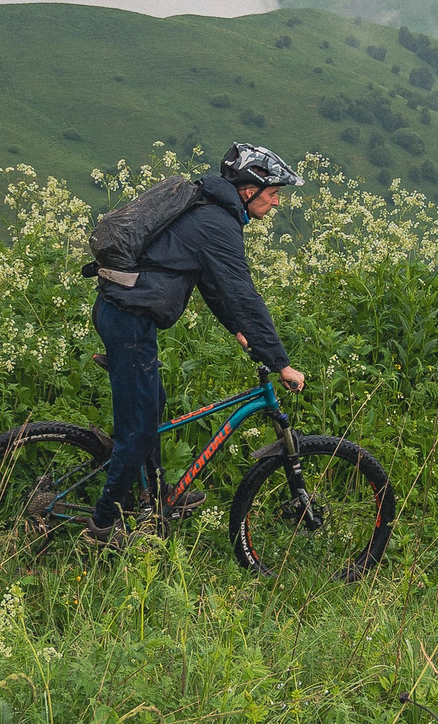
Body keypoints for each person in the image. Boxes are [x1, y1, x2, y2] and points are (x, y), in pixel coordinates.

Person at [86, 143, 306, 546]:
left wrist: (237, 330)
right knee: (136, 430)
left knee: (152, 404)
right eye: (273, 193)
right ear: (248, 189)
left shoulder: (210, 211)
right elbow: (242, 294)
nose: (276, 203)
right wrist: (280, 363)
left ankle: (152, 496)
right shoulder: (217, 224)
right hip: (128, 322)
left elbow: (213, 285)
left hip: (123, 313)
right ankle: (102, 526)